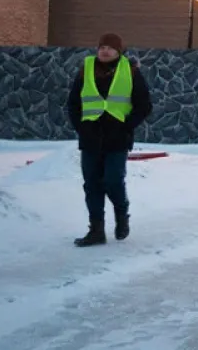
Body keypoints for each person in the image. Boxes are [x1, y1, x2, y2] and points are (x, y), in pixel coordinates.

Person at [67, 33, 153, 247]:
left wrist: (126, 126)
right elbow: (73, 103)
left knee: (113, 181)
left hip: (117, 138)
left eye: (110, 48)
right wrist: (81, 128)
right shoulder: (85, 69)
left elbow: (144, 105)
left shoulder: (131, 71)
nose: (105, 51)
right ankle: (96, 230)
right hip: (90, 138)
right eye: (102, 47)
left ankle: (121, 215)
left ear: (118, 51)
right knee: (92, 185)